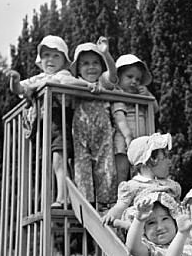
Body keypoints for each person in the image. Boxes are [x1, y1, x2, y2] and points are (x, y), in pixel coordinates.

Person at [7, 35, 79, 208]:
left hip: (60, 122)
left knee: (59, 160)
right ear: (40, 60)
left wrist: (37, 87)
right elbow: (20, 89)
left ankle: (63, 197)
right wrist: (15, 80)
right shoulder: (38, 77)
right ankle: (63, 195)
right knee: (54, 164)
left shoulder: (64, 74)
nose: (50, 60)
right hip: (44, 128)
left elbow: (66, 82)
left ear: (64, 61)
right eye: (46, 55)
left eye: (56, 56)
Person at [69, 37, 118, 208]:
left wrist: (106, 54)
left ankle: (106, 203)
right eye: (85, 63)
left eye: (96, 62)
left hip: (103, 131)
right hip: (81, 132)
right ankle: (86, 203)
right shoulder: (74, 84)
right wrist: (85, 86)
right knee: (82, 164)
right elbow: (64, 80)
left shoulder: (101, 82)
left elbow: (113, 75)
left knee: (106, 165)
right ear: (78, 69)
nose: (91, 67)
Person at [102, 133, 181, 230]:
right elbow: (120, 206)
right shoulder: (133, 186)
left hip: (167, 227)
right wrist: (111, 214)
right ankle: (125, 225)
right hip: (143, 228)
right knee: (133, 213)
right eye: (164, 159)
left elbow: (177, 207)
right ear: (148, 162)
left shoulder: (171, 185)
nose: (169, 162)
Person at [111, 54, 159, 184]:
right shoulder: (118, 94)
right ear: (118, 78)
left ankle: (137, 195)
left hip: (141, 139)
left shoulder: (141, 98)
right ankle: (119, 195)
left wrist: (149, 95)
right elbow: (118, 116)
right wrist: (127, 135)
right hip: (123, 138)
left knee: (139, 171)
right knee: (121, 169)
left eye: (138, 79)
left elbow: (154, 109)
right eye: (129, 77)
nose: (134, 82)